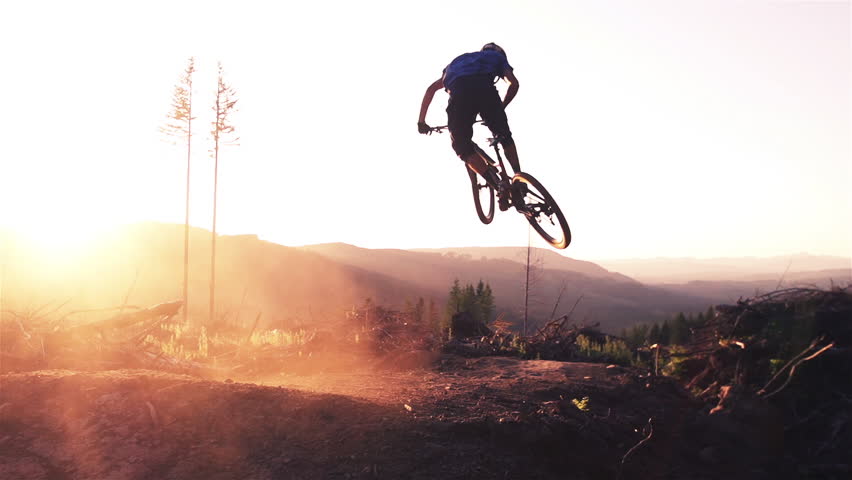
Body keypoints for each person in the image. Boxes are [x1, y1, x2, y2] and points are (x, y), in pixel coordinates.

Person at [417, 43, 521, 211]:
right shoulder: (497, 58)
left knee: (462, 146)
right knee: (504, 135)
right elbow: (514, 84)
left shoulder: (456, 63)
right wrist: (500, 108)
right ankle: (519, 178)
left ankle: (498, 186)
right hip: (486, 91)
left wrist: (421, 122)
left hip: (460, 95)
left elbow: (430, 90)